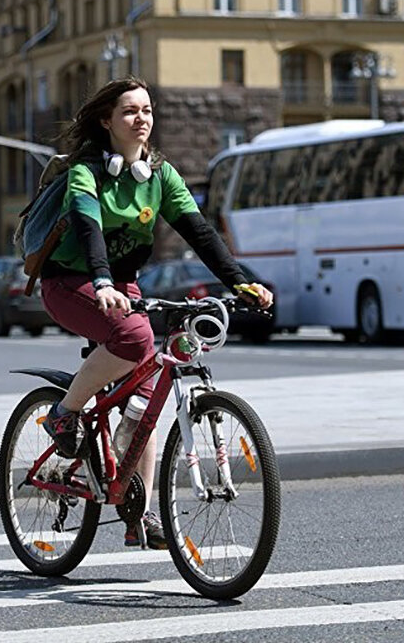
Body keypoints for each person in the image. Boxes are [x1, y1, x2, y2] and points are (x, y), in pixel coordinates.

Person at [37, 76, 273, 549]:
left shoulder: (159, 174)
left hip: (121, 285)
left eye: (146, 110)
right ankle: (64, 413)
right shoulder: (86, 170)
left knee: (147, 400)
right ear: (107, 121)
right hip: (70, 281)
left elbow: (199, 232)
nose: (141, 118)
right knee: (136, 340)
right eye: (129, 111)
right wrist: (102, 280)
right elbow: (88, 227)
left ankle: (139, 514)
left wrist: (240, 280)